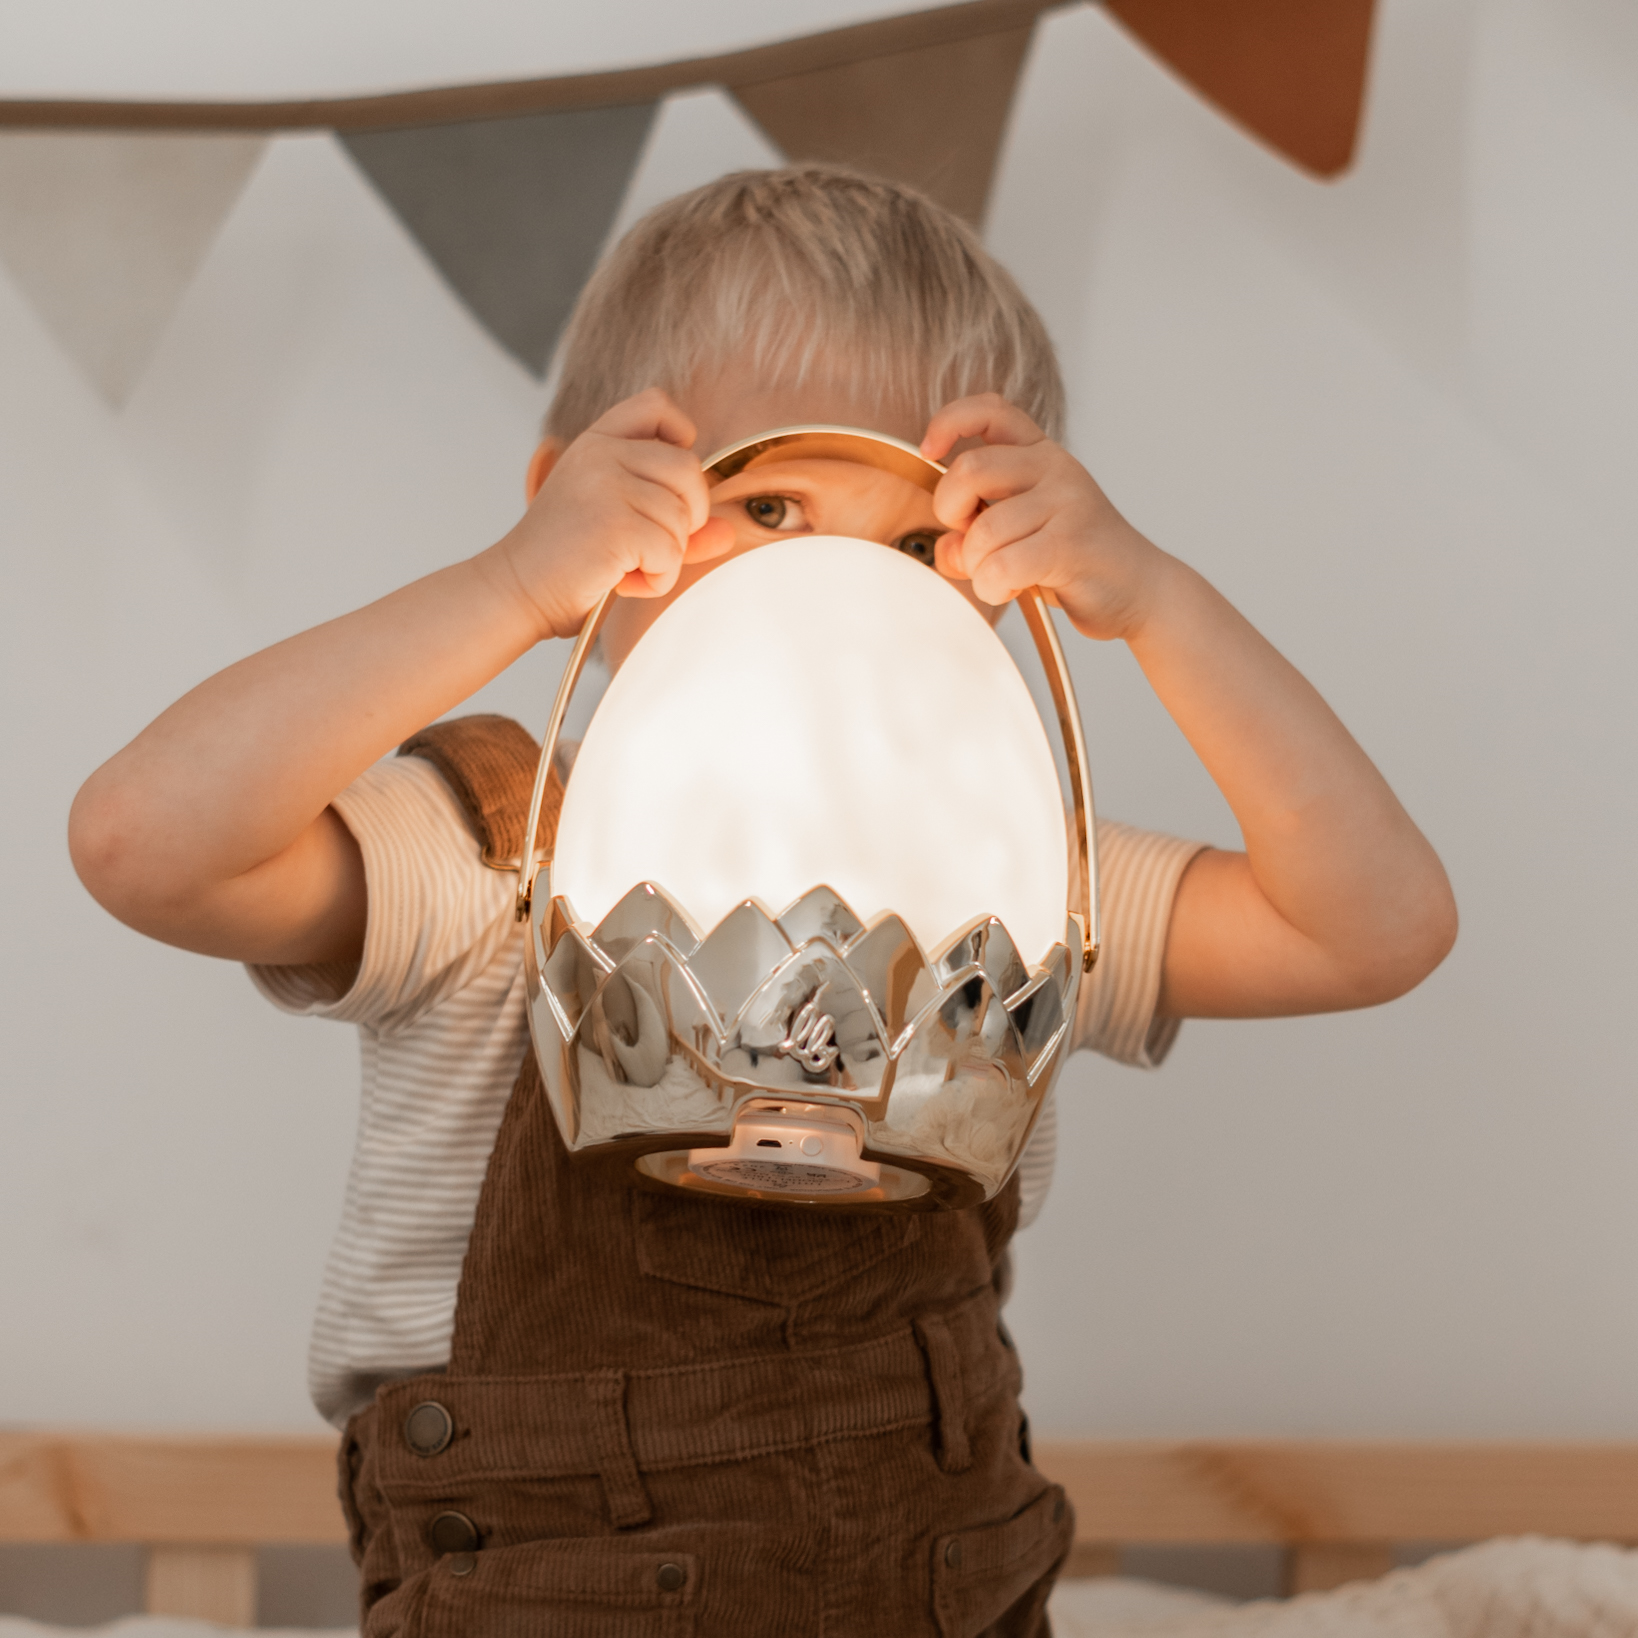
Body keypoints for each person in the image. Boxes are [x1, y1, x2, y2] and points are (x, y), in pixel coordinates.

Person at [68, 166, 1456, 1635]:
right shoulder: (492, 851)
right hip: (551, 1587)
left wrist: (1158, 601)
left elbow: (1371, 924)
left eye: (925, 545)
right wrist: (510, 588)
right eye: (775, 503)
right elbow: (144, 841)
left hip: (937, 1578)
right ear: (581, 510)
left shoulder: (999, 867)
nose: (847, 595)